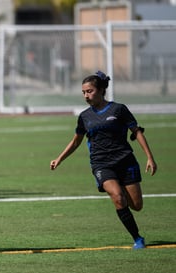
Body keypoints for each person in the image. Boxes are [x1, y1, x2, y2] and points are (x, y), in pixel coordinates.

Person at [50, 70, 157, 249]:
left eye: (90, 91)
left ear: (100, 90)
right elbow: (76, 141)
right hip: (101, 164)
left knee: (137, 205)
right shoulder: (84, 117)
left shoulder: (119, 109)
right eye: (83, 92)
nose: (86, 95)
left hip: (125, 160)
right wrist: (59, 159)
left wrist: (149, 158)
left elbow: (136, 132)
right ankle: (137, 238)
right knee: (117, 197)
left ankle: (122, 187)